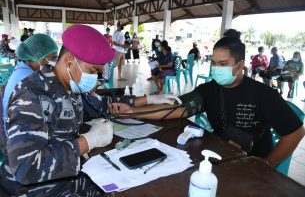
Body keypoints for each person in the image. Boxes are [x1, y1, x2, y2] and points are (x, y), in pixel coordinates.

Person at [110, 29, 305, 168]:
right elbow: (176, 109)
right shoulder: (210, 90)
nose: (216, 69)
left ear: (240, 65)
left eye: (223, 63)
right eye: (213, 63)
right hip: (220, 158)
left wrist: (267, 163)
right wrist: (131, 111)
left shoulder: (263, 94)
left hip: (250, 163)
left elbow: (296, 132)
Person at [0, 25, 116, 196]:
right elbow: (26, 168)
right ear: (69, 60)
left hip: (62, 177)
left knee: (114, 184)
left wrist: (148, 100)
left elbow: (98, 104)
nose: (95, 78)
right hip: (32, 189)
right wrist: (88, 141)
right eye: (92, 71)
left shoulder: (69, 85)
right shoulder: (32, 94)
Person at [2, 33, 58, 137]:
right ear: (37, 57)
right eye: (53, 58)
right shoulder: (28, 79)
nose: (54, 62)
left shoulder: (22, 69)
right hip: (17, 138)